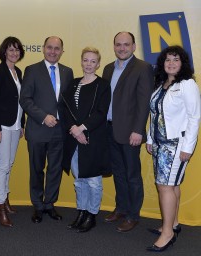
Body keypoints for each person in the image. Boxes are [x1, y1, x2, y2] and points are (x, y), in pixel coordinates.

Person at [145, 46, 200, 252]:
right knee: (172, 185)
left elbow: (194, 117)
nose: (171, 63)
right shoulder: (161, 84)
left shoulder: (187, 84)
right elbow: (154, 114)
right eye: (167, 60)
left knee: (164, 186)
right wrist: (150, 138)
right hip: (159, 143)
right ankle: (173, 224)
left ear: (182, 63)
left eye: (175, 60)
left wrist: (188, 147)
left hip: (176, 145)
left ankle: (167, 234)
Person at [102, 31, 154, 232]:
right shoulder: (108, 68)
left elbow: (144, 102)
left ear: (133, 46)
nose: (122, 48)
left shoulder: (143, 68)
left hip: (130, 132)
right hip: (109, 130)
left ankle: (133, 215)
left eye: (126, 44)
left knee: (132, 175)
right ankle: (121, 208)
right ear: (114, 46)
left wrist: (138, 130)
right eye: (118, 44)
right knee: (118, 173)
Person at [20, 36, 74, 223]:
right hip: (37, 129)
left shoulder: (68, 72)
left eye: (57, 48)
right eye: (49, 47)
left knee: (55, 169)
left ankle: (50, 204)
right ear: (43, 48)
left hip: (59, 132)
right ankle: (37, 205)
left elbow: (68, 103)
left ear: (62, 51)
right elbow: (25, 99)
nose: (53, 51)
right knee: (36, 169)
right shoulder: (32, 70)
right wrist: (43, 116)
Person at [62, 47, 111, 232]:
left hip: (93, 139)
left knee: (93, 181)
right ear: (81, 61)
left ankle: (92, 214)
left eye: (93, 61)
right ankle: (81, 211)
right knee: (79, 180)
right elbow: (65, 110)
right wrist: (74, 130)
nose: (89, 64)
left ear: (98, 64)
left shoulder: (103, 85)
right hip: (74, 139)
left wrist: (82, 128)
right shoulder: (73, 84)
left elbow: (101, 112)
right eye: (85, 60)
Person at [0, 37, 25, 227]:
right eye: (10, 49)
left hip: (16, 125)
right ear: (4, 51)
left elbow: (22, 101)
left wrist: (22, 124)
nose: (14, 53)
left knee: (9, 163)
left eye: (17, 50)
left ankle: (6, 199)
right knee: (3, 165)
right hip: (1, 126)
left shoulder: (17, 71)